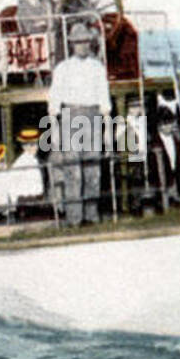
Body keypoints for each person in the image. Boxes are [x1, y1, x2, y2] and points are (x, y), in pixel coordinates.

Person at [46, 23, 111, 225]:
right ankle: (74, 218)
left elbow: (104, 103)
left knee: (93, 170)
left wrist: (107, 134)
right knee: (72, 171)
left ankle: (91, 216)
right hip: (70, 117)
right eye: (78, 42)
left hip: (92, 117)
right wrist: (55, 135)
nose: (82, 46)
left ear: (90, 43)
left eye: (85, 42)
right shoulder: (63, 68)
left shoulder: (98, 68)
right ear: (71, 44)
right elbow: (53, 104)